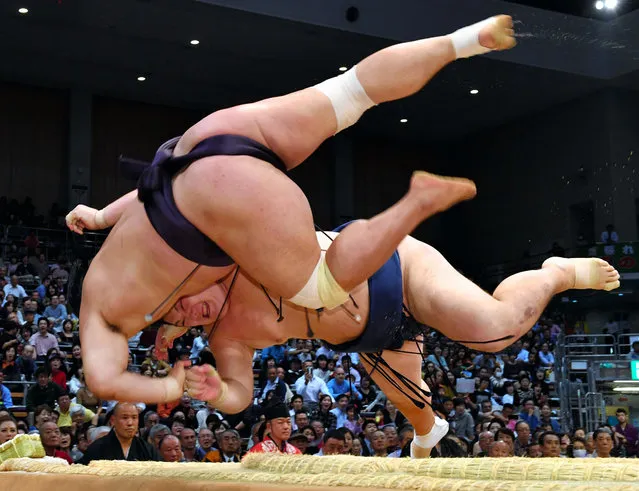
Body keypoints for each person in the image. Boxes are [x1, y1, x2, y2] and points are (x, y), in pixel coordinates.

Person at [66, 15, 518, 405]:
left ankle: (415, 202)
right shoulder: (123, 241)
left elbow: (104, 380)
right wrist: (101, 215)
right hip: (190, 151)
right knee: (352, 90)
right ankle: (465, 41)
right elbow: (145, 198)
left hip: (212, 202)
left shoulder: (102, 314)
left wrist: (169, 387)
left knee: (322, 289)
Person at [78, 402, 162, 464]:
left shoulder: (147, 449)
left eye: (134, 417)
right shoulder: (98, 448)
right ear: (113, 420)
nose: (130, 423)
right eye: (125, 418)